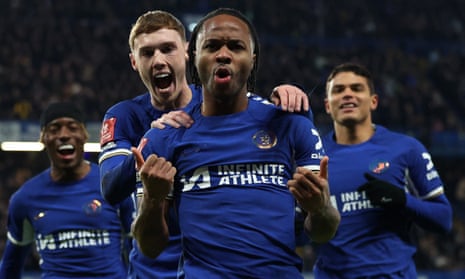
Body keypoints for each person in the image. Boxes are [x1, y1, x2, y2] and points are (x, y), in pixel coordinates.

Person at [98, 10, 314, 279]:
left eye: (168, 49)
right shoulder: (125, 116)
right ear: (134, 61)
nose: (158, 61)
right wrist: (149, 145)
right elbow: (110, 187)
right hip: (152, 268)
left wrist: (295, 104)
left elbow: (284, 130)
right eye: (147, 53)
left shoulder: (218, 100)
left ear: (188, 52)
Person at [313, 62, 453, 278]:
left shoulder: (406, 149)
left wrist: (404, 201)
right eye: (339, 90)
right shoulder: (313, 158)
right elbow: (298, 232)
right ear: (327, 105)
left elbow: (444, 219)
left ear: (374, 101)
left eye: (357, 88)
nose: (348, 94)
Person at [0, 102, 134, 279]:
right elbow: (10, 265)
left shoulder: (112, 184)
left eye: (72, 128)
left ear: (84, 135)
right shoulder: (24, 199)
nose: (64, 135)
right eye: (54, 129)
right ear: (43, 138)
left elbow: (138, 250)